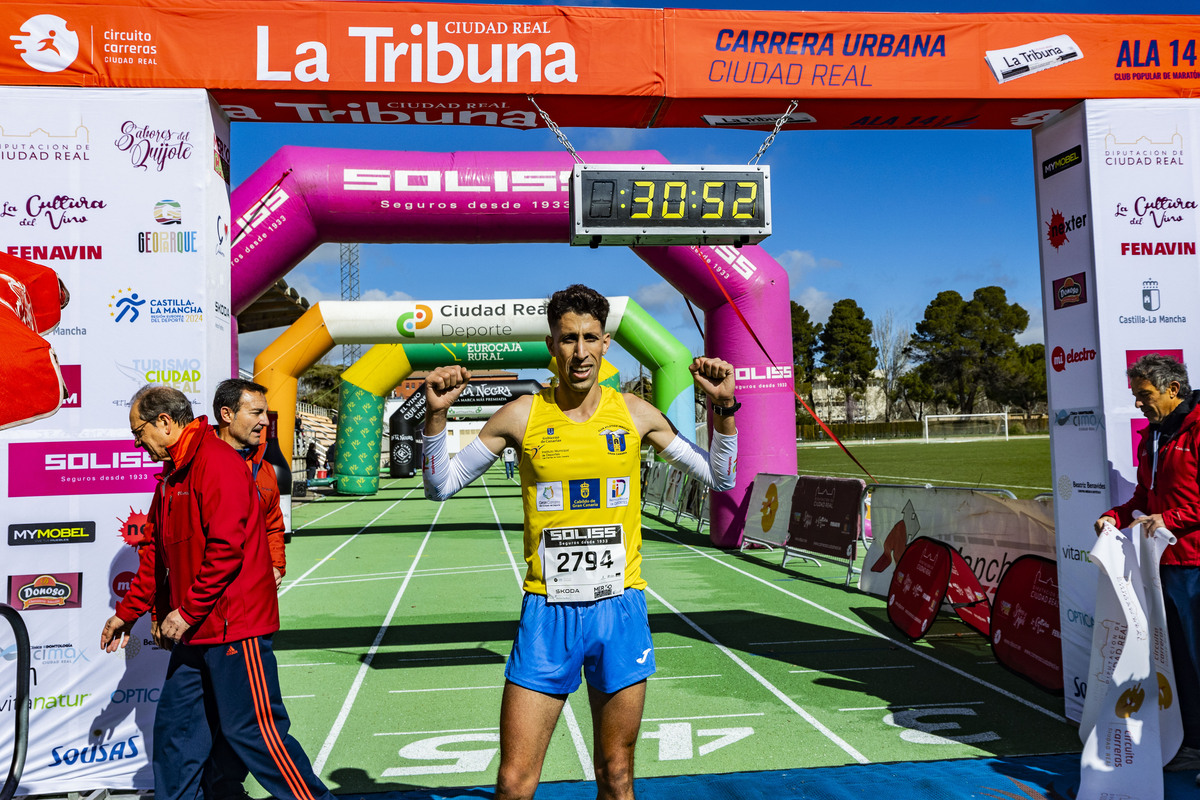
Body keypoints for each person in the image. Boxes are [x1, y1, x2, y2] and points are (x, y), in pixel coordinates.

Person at [423, 284, 738, 800]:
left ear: (606, 342)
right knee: (514, 782)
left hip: (620, 610)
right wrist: (435, 417)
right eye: (568, 339)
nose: (579, 351)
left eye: (590, 337)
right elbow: (441, 486)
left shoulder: (634, 413)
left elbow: (720, 478)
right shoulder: (522, 414)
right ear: (552, 343)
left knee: (617, 775)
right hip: (548, 613)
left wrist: (723, 411)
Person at [100, 385, 333, 800]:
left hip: (234, 629)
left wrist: (185, 612)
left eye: (139, 432)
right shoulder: (173, 474)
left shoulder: (217, 463)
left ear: (165, 423)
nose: (139, 443)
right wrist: (127, 612)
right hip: (195, 630)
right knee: (178, 735)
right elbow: (156, 553)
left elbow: (227, 550)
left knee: (258, 736)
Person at [1095, 353, 1200, 785]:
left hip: (1195, 563)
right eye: (1136, 395)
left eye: (1144, 395)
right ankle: (1192, 745)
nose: (1138, 403)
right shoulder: (1153, 437)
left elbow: (1176, 509)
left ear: (1173, 389)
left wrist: (1170, 521)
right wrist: (1115, 517)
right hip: (1160, 569)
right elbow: (1145, 497)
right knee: (1179, 664)